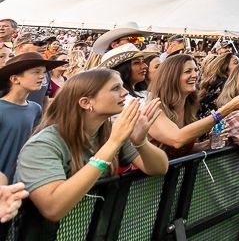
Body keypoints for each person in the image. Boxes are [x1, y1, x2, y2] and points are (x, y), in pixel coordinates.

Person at [14, 69, 169, 230]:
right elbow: (53, 208)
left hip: (93, 229)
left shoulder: (109, 131)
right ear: (86, 103)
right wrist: (113, 144)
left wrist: (140, 142)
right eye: (115, 88)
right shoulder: (43, 145)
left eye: (123, 86)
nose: (125, 93)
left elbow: (160, 168)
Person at [147, 54, 239, 158]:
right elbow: (177, 139)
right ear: (171, 77)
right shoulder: (154, 108)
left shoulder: (190, 106)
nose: (195, 75)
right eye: (188, 71)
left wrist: (208, 144)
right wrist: (228, 108)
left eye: (196, 70)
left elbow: (183, 149)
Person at [0, 53, 67, 181]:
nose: (42, 76)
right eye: (36, 72)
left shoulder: (35, 108)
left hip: (21, 180)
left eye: (44, 72)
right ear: (15, 79)